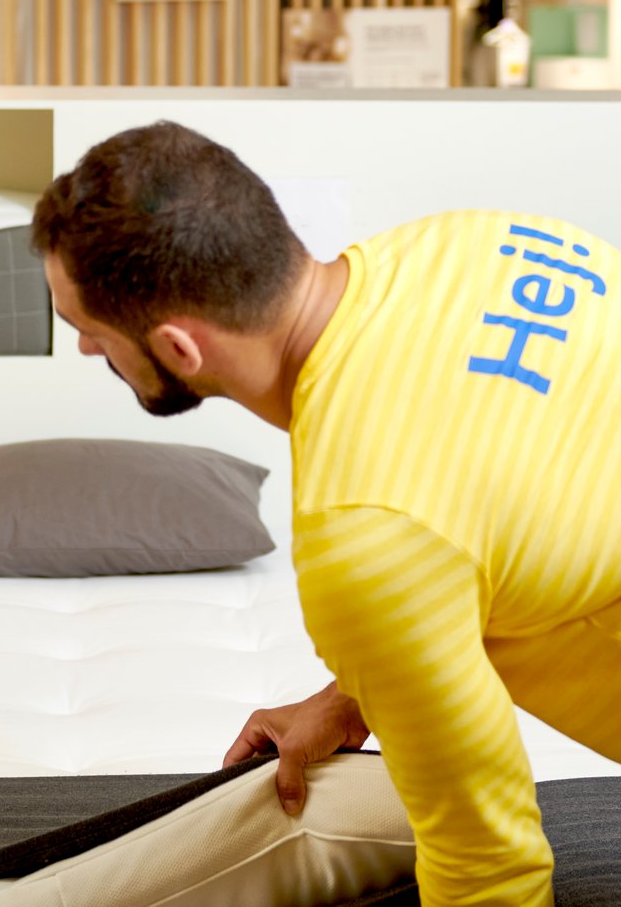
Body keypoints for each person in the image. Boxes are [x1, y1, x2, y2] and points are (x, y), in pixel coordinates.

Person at [31, 121, 621, 907]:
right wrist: (361, 691)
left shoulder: (362, 534)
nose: (81, 352)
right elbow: (503, 500)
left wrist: (381, 643)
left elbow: (492, 871)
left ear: (179, 349)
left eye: (88, 333)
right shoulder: (479, 241)